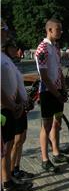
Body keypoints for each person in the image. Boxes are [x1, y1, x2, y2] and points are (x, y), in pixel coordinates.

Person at [35, 19, 69, 174]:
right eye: (58, 29)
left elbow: (58, 70)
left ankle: (56, 153)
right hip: (47, 92)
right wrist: (57, 93)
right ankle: (45, 159)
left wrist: (64, 90)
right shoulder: (42, 49)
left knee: (57, 123)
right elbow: (44, 76)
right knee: (46, 125)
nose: (61, 32)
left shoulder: (56, 47)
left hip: (58, 91)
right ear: (49, 30)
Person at [1, 20, 32, 191]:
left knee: (8, 147)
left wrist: (20, 102)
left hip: (11, 108)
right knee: (4, 149)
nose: (6, 33)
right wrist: (13, 106)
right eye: (2, 31)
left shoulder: (3, 56)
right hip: (4, 110)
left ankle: (7, 182)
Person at [3, 40, 35, 181]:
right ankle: (9, 174)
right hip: (12, 106)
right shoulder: (4, 62)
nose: (17, 49)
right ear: (6, 48)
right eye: (13, 47)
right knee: (13, 142)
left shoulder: (12, 62)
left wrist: (26, 99)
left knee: (21, 138)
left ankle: (15, 168)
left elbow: (18, 82)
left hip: (20, 105)